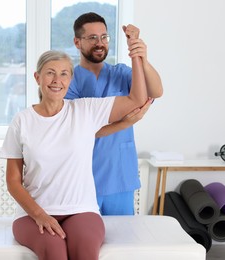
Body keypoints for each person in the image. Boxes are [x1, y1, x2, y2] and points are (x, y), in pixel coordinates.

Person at [0, 45, 148, 259]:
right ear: (37, 77)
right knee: (54, 250)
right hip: (32, 214)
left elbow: (136, 99)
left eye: (64, 74)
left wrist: (137, 55)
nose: (56, 80)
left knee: (85, 250)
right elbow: (13, 181)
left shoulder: (84, 110)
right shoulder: (22, 121)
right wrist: (40, 215)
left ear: (70, 79)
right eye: (50, 73)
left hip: (81, 209)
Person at [65, 12, 163, 215]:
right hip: (84, 178)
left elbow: (156, 91)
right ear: (77, 42)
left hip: (120, 175)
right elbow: (79, 128)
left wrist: (141, 57)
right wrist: (125, 122)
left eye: (104, 37)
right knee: (86, 242)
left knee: (123, 241)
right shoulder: (69, 80)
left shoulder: (121, 73)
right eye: (92, 38)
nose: (99, 43)